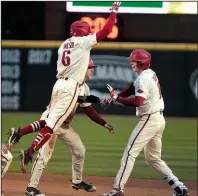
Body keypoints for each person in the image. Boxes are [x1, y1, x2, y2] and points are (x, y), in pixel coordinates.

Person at [18, 1, 121, 173]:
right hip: (71, 85)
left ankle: (23, 137)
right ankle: (29, 152)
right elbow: (106, 30)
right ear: (83, 32)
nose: (89, 33)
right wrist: (113, 12)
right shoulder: (83, 42)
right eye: (87, 30)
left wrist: (94, 101)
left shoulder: (63, 45)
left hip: (59, 84)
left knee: (50, 120)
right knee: (52, 125)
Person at [7, 59, 115, 196]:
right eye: (89, 67)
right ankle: (31, 188)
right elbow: (80, 99)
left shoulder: (84, 86)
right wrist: (99, 99)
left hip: (65, 125)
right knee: (44, 156)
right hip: (51, 122)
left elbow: (88, 109)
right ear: (81, 68)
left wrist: (104, 123)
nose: (92, 70)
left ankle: (77, 181)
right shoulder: (69, 83)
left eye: (92, 67)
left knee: (79, 150)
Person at [100, 49, 189, 196]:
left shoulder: (144, 79)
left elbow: (138, 101)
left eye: (133, 60)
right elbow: (130, 89)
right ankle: (179, 187)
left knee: (130, 153)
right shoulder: (149, 73)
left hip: (149, 119)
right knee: (153, 158)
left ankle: (117, 190)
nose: (131, 62)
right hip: (159, 119)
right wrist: (114, 97)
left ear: (141, 62)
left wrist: (117, 99)